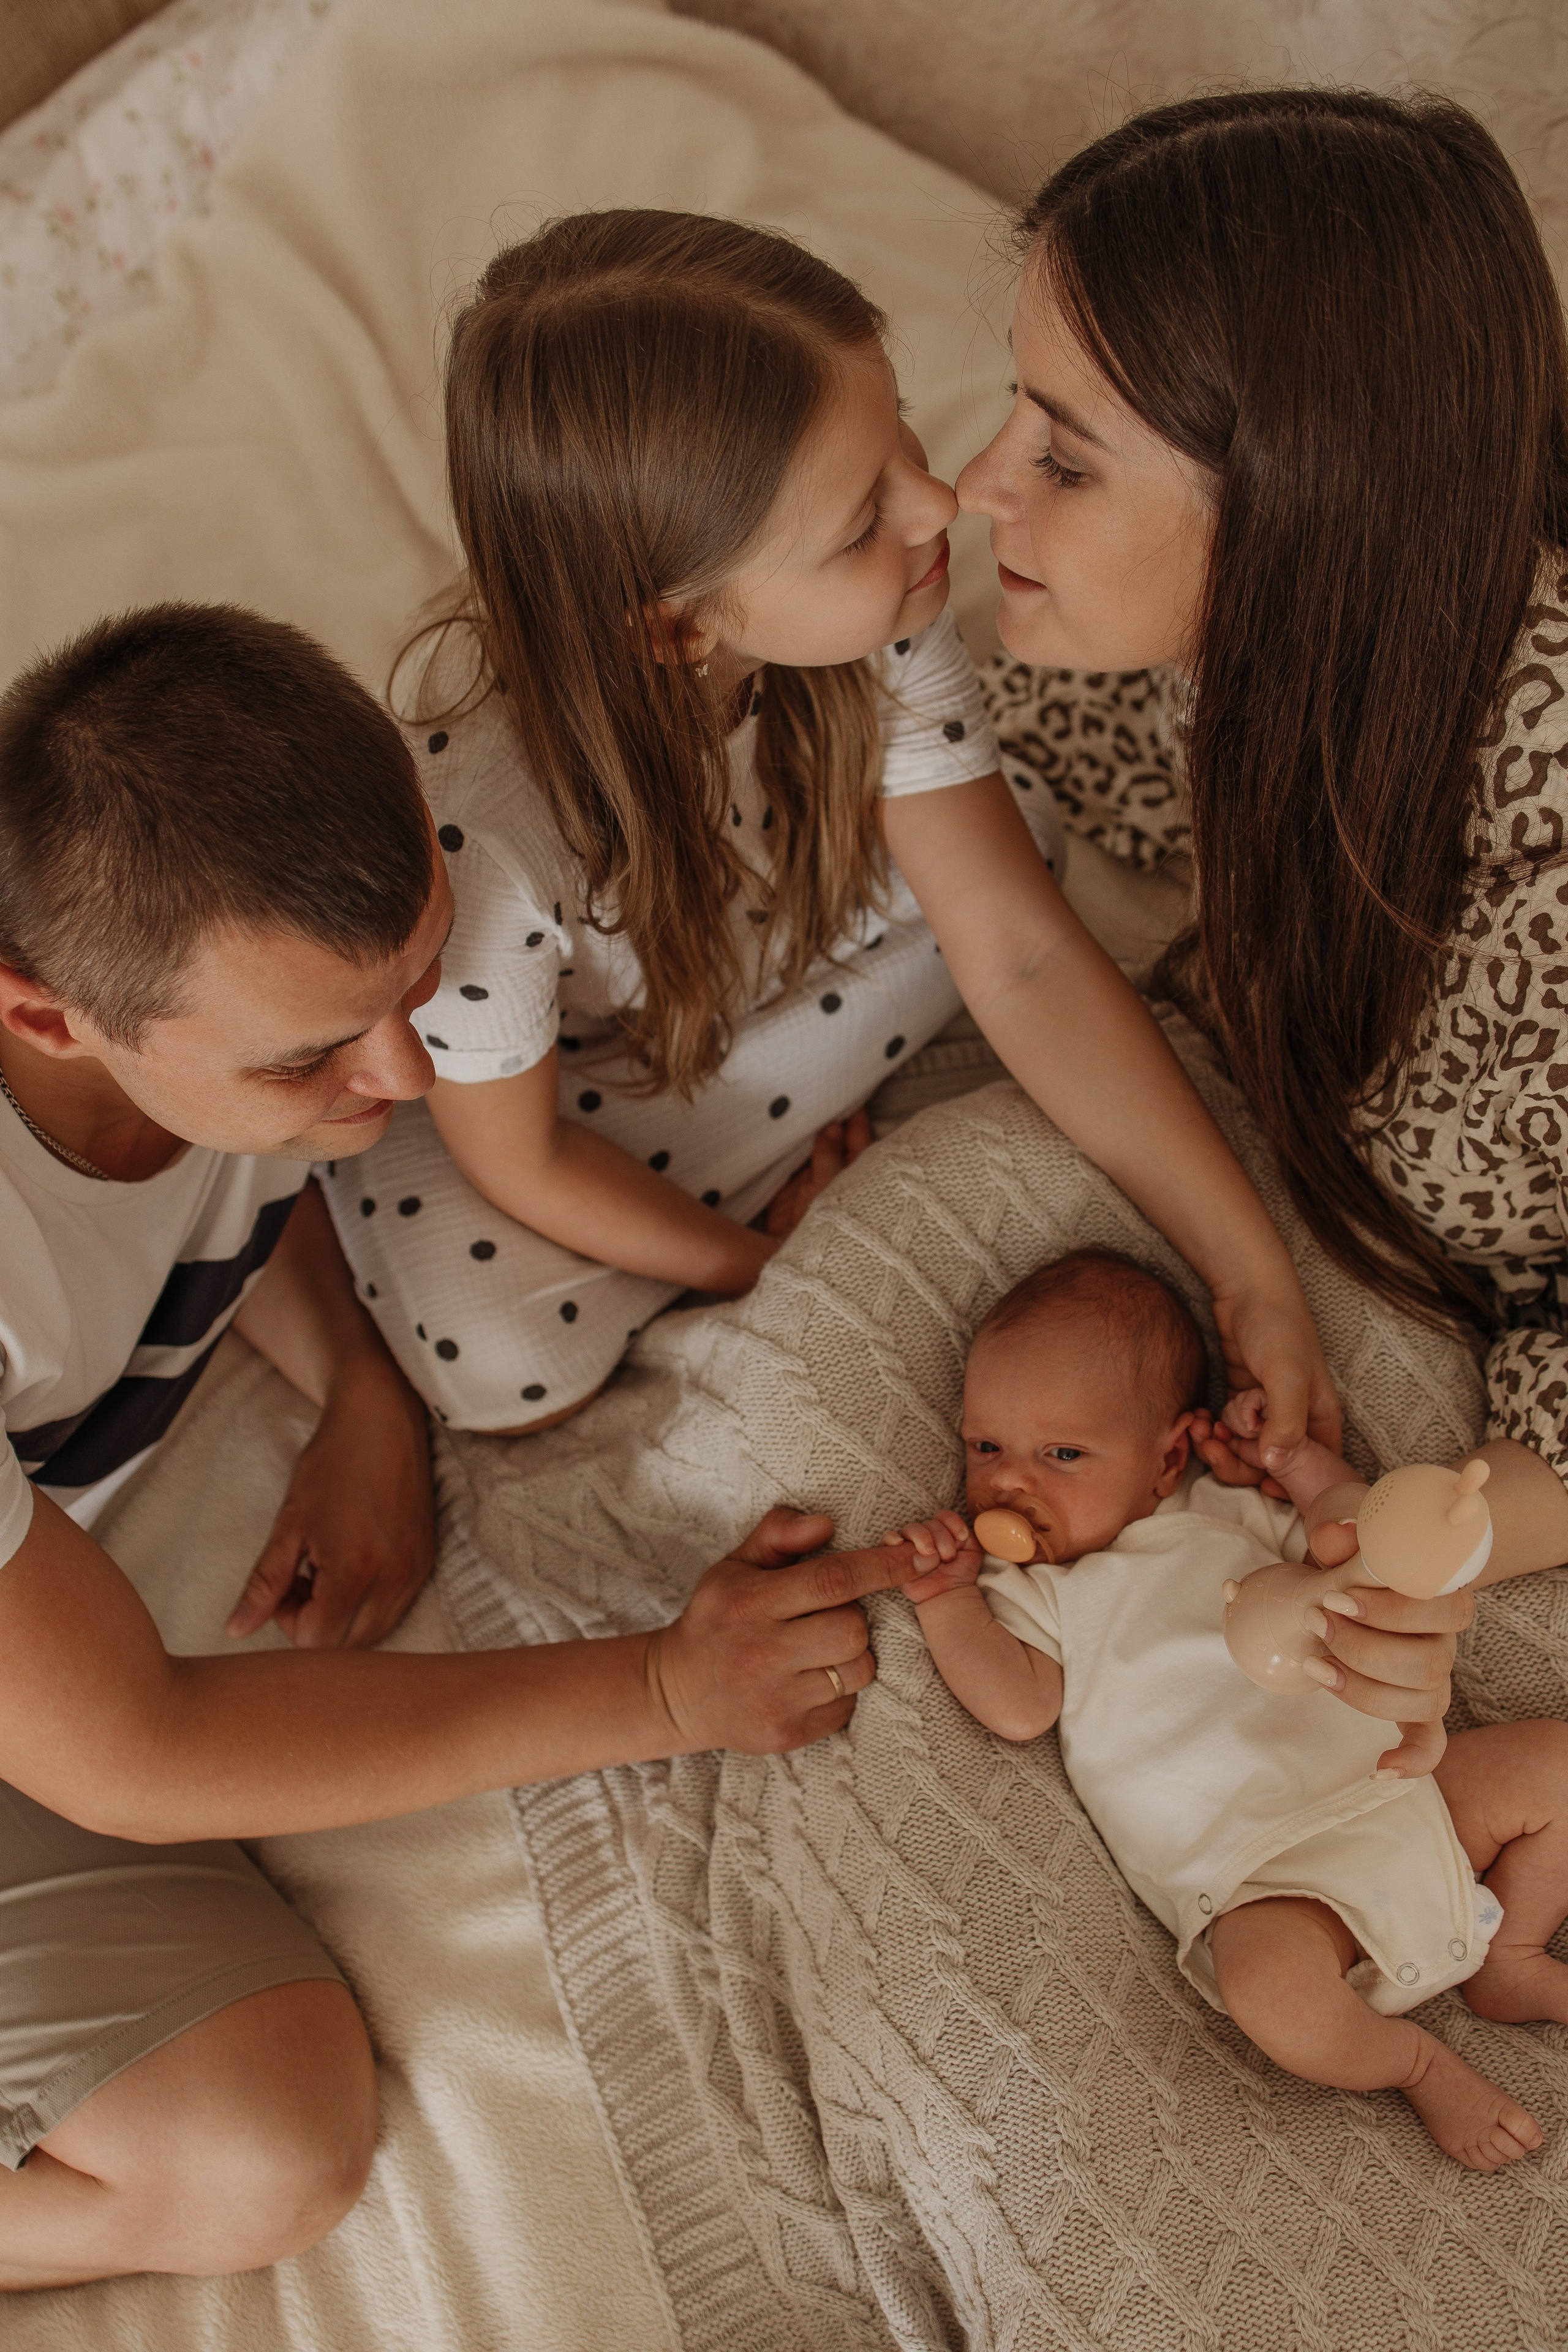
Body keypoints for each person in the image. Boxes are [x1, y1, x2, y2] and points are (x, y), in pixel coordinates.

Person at [0, 603, 903, 2291]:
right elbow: (135, 1748)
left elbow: (210, 1179)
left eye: (417, 982)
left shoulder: (194, 966)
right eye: (315, 1057)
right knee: (256, 2154)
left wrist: (360, 1386)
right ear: (45, 1017)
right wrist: (664, 1691)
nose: (406, 1076)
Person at [322, 208, 1335, 1464]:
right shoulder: (484, 821)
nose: (940, 501)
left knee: (1018, 849)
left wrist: (1251, 1275)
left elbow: (1021, 954)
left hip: (769, 959)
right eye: (861, 522)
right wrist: (762, 1259)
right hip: (573, 1087)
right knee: (500, 1365)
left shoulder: (882, 607)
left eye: (897, 428)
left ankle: (788, 1116)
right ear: (677, 627)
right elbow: (524, 1163)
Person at [961, 88, 1568, 1532]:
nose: (978, 484)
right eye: (1013, 409)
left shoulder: (1539, 883)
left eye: (1062, 457)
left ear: (1297, 505)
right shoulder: (1269, 648)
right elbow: (1018, 733)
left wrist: (1429, 1542)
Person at [886, 1250, 1568, 2173]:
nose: (1011, 1484)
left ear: (1167, 1456)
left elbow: (1346, 1539)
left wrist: (1293, 1461)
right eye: (985, 1449)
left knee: (1558, 1768)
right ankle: (1417, 2064)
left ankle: (1512, 1952)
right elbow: (1017, 1708)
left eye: (1063, 1455)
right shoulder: (1031, 1590)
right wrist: (945, 1600)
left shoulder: (1220, 1512)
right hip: (1261, 1879)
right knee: (1270, 1994)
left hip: (1400, 1790)